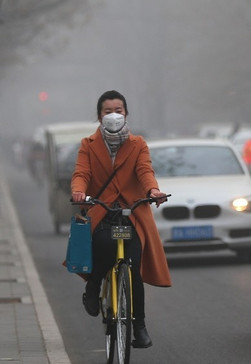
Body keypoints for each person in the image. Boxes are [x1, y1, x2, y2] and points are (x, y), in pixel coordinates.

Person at [70, 90, 171, 349]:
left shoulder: (138, 144)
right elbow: (81, 173)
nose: (113, 115)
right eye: (107, 111)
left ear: (126, 113)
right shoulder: (88, 144)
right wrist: (79, 192)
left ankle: (139, 326)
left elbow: (145, 170)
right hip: (103, 210)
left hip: (132, 213)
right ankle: (93, 285)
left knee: (133, 269)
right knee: (103, 245)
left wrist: (153, 190)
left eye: (119, 110)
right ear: (99, 115)